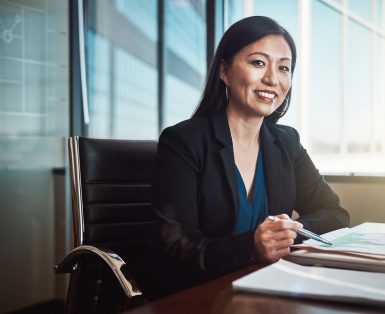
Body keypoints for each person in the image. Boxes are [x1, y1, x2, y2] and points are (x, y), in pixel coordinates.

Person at [151, 16, 349, 295]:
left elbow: (335, 213)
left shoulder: (286, 141)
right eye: (258, 63)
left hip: (266, 287)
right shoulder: (183, 141)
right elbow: (174, 249)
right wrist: (251, 246)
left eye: (283, 68)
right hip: (199, 295)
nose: (272, 79)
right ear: (224, 71)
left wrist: (287, 232)